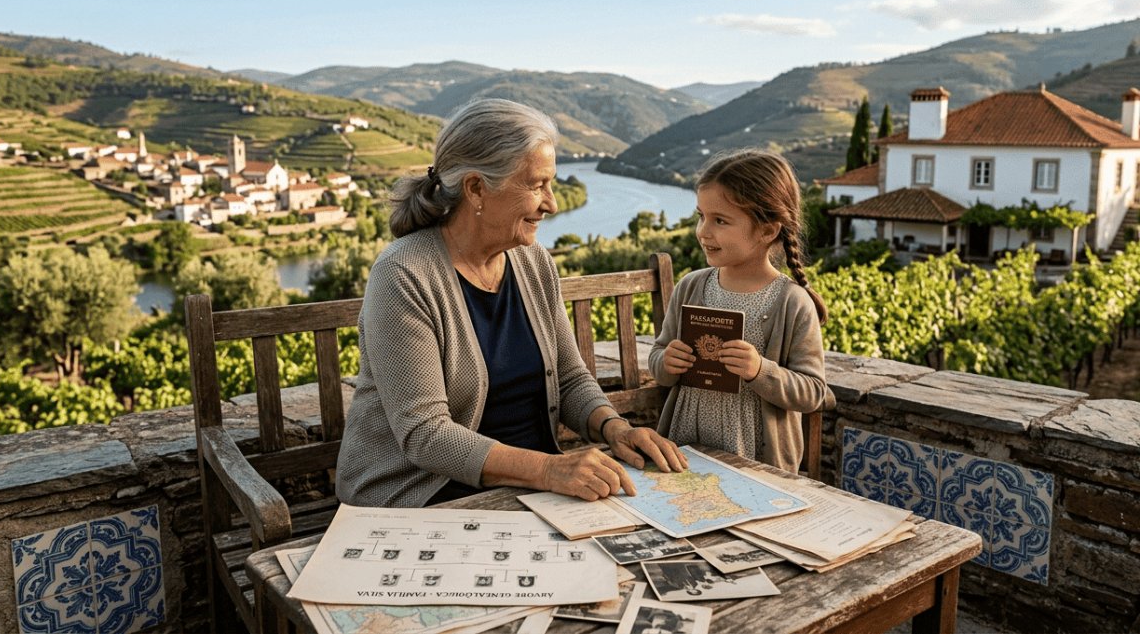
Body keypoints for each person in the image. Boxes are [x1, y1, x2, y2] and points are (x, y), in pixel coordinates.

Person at [336, 98, 687, 508]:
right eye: (537, 185)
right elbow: (426, 435)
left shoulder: (533, 261)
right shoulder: (403, 274)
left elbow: (571, 378)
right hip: (424, 497)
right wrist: (549, 470)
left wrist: (614, 428)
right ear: (476, 188)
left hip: (531, 490)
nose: (552, 203)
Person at [647, 149, 832, 472]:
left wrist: (760, 370)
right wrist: (667, 362)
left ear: (766, 231)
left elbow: (813, 393)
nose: (703, 231)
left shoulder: (791, 302)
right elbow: (659, 358)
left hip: (755, 464)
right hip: (686, 450)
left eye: (720, 220)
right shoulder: (691, 287)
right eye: (701, 216)